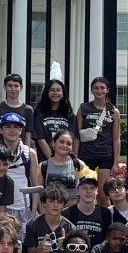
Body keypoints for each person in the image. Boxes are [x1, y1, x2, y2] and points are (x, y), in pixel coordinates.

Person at [0, 113, 41, 226]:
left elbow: (35, 186)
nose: (12, 130)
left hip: (23, 208)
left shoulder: (30, 153)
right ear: (1, 130)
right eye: (8, 126)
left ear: (21, 130)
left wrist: (33, 211)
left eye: (16, 127)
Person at [75, 76, 121, 206]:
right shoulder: (83, 108)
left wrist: (116, 162)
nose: (99, 91)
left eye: (102, 88)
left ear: (107, 90)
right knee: (83, 192)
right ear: (91, 90)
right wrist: (75, 156)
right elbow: (77, 135)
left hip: (105, 155)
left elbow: (116, 138)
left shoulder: (114, 112)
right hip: (85, 155)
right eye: (96, 88)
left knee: (103, 194)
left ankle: (105, 224)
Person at [22, 183, 74, 253]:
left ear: (64, 204)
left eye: (59, 202)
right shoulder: (33, 225)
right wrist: (39, 250)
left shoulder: (71, 228)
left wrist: (68, 247)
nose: (55, 205)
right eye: (51, 201)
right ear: (44, 203)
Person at [64, 169, 112, 245]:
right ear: (77, 191)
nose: (88, 191)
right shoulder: (67, 214)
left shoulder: (105, 213)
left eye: (92, 188)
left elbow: (107, 240)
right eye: (84, 188)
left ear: (97, 191)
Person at [0, 73, 34, 148]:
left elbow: (28, 136)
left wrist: (27, 155)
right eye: (10, 86)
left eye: (16, 86)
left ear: (21, 87)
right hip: (1, 152)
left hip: (20, 152)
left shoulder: (28, 110)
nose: (13, 89)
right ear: (5, 87)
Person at [33, 79, 76, 161]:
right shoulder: (39, 113)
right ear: (47, 93)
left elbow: (71, 138)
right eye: (52, 90)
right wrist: (53, 160)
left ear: (63, 93)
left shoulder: (69, 114)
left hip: (65, 160)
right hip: (45, 160)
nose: (55, 93)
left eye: (58, 90)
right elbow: (40, 139)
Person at [40, 129, 86, 200]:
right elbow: (38, 192)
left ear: (72, 147)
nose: (64, 145)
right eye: (61, 142)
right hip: (51, 209)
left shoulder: (79, 165)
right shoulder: (43, 166)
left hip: (73, 209)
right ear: (53, 143)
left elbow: (86, 189)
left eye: (69, 144)